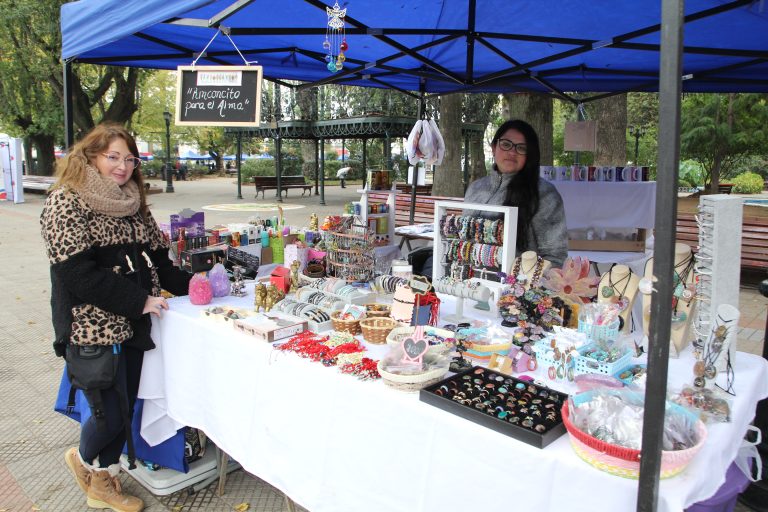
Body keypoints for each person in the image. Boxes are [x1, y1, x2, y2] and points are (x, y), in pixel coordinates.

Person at [40, 123, 191, 512]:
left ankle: (101, 480)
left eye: (129, 159)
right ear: (91, 157)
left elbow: (159, 262)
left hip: (133, 324)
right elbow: (77, 274)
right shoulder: (66, 201)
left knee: (124, 408)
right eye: (113, 157)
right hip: (90, 327)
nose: (123, 166)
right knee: (107, 415)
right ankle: (86, 463)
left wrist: (200, 285)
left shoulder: (132, 202)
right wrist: (140, 300)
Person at [464, 119, 568, 268]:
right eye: (506, 144)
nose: (512, 152)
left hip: (517, 282)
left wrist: (527, 280)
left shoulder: (545, 194)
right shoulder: (475, 188)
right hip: (469, 280)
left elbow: (555, 257)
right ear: (494, 148)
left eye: (521, 148)